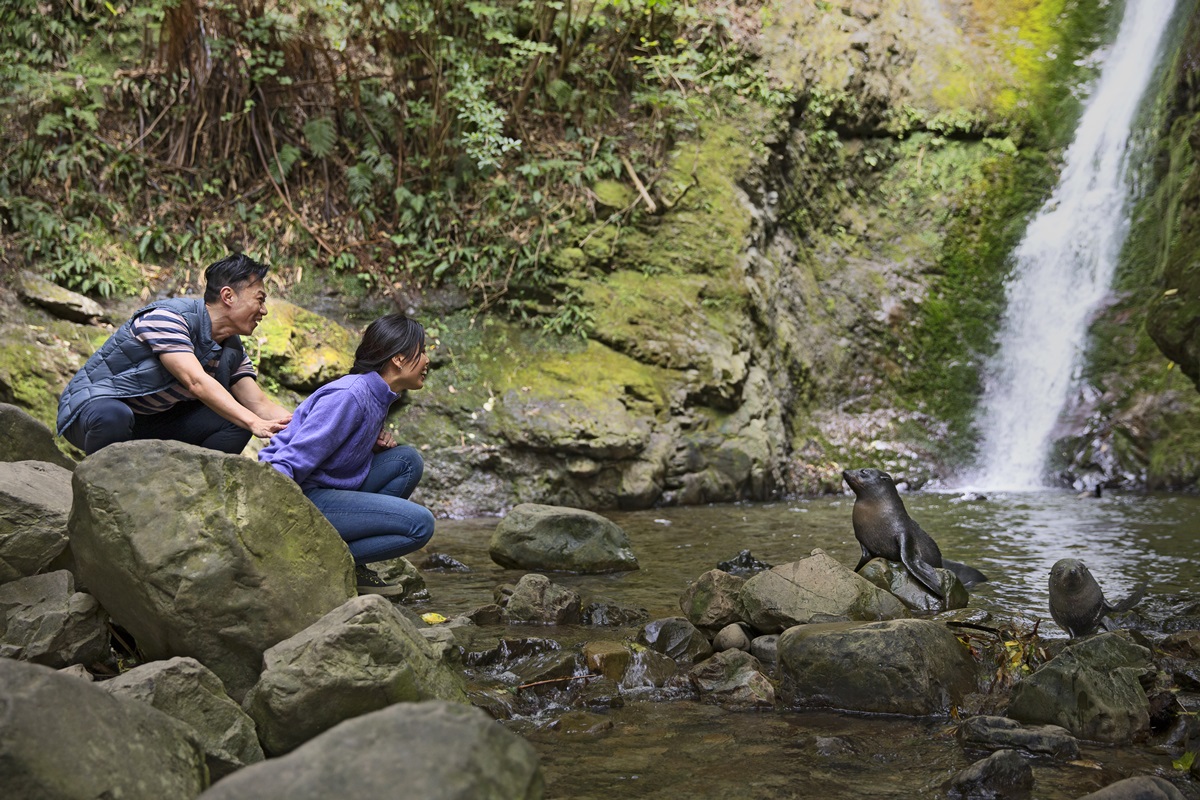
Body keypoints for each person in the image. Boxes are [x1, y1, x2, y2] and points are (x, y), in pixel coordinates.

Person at [257, 313, 435, 596]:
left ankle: (352, 564)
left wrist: (370, 446)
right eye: (422, 351)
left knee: (406, 461)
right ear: (398, 359)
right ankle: (330, 562)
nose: (427, 361)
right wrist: (270, 527)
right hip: (305, 495)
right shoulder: (350, 395)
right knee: (420, 525)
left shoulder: (379, 394)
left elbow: (337, 448)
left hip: (331, 488)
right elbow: (289, 459)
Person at [56, 253, 292, 455]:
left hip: (150, 423)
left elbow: (259, 404)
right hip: (91, 414)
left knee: (236, 423)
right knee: (114, 416)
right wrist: (255, 423)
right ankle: (98, 494)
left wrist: (309, 427)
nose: (264, 310)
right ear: (228, 296)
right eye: (259, 300)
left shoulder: (231, 349)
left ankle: (191, 496)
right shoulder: (168, 317)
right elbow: (195, 381)